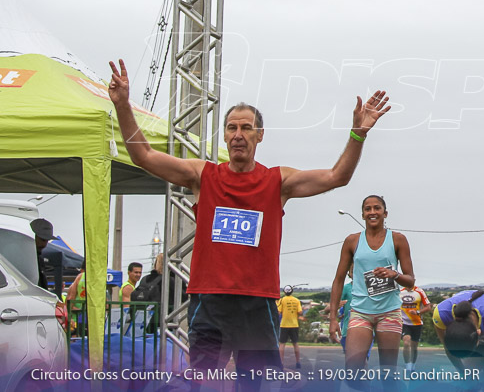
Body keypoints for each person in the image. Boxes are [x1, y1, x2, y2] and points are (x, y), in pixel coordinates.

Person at [106, 59, 390, 381]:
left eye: (246, 128)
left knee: (253, 382)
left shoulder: (278, 181)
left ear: (260, 135)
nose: (238, 134)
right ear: (225, 136)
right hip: (210, 300)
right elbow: (143, 155)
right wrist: (123, 105)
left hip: (258, 303)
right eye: (232, 128)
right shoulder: (204, 175)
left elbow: (337, 176)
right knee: (202, 380)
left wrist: (358, 134)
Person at [328, 195, 415, 372]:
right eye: (368, 209)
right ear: (362, 214)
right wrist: (333, 319)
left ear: (385, 213)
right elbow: (338, 280)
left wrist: (394, 274)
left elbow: (411, 280)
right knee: (352, 368)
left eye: (377, 208)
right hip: (360, 312)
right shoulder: (352, 241)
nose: (372, 212)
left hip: (389, 312)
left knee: (388, 371)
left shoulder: (398, 239)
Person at [399, 284, 432, 372]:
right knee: (406, 342)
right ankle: (407, 366)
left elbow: (428, 307)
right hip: (404, 322)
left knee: (414, 346)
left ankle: (413, 364)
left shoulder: (419, 292)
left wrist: (418, 312)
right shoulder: (400, 292)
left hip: (417, 323)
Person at [30, 218, 62, 296]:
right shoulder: (25, 258)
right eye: (42, 239)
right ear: (32, 236)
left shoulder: (38, 258)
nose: (44, 245)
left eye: (47, 241)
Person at [277, 286, 304, 369]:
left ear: (284, 292)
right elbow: (300, 312)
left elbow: (278, 312)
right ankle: (298, 362)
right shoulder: (296, 300)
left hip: (284, 324)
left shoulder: (282, 300)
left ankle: (281, 363)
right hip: (294, 325)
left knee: (282, 344)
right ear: (292, 291)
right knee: (295, 344)